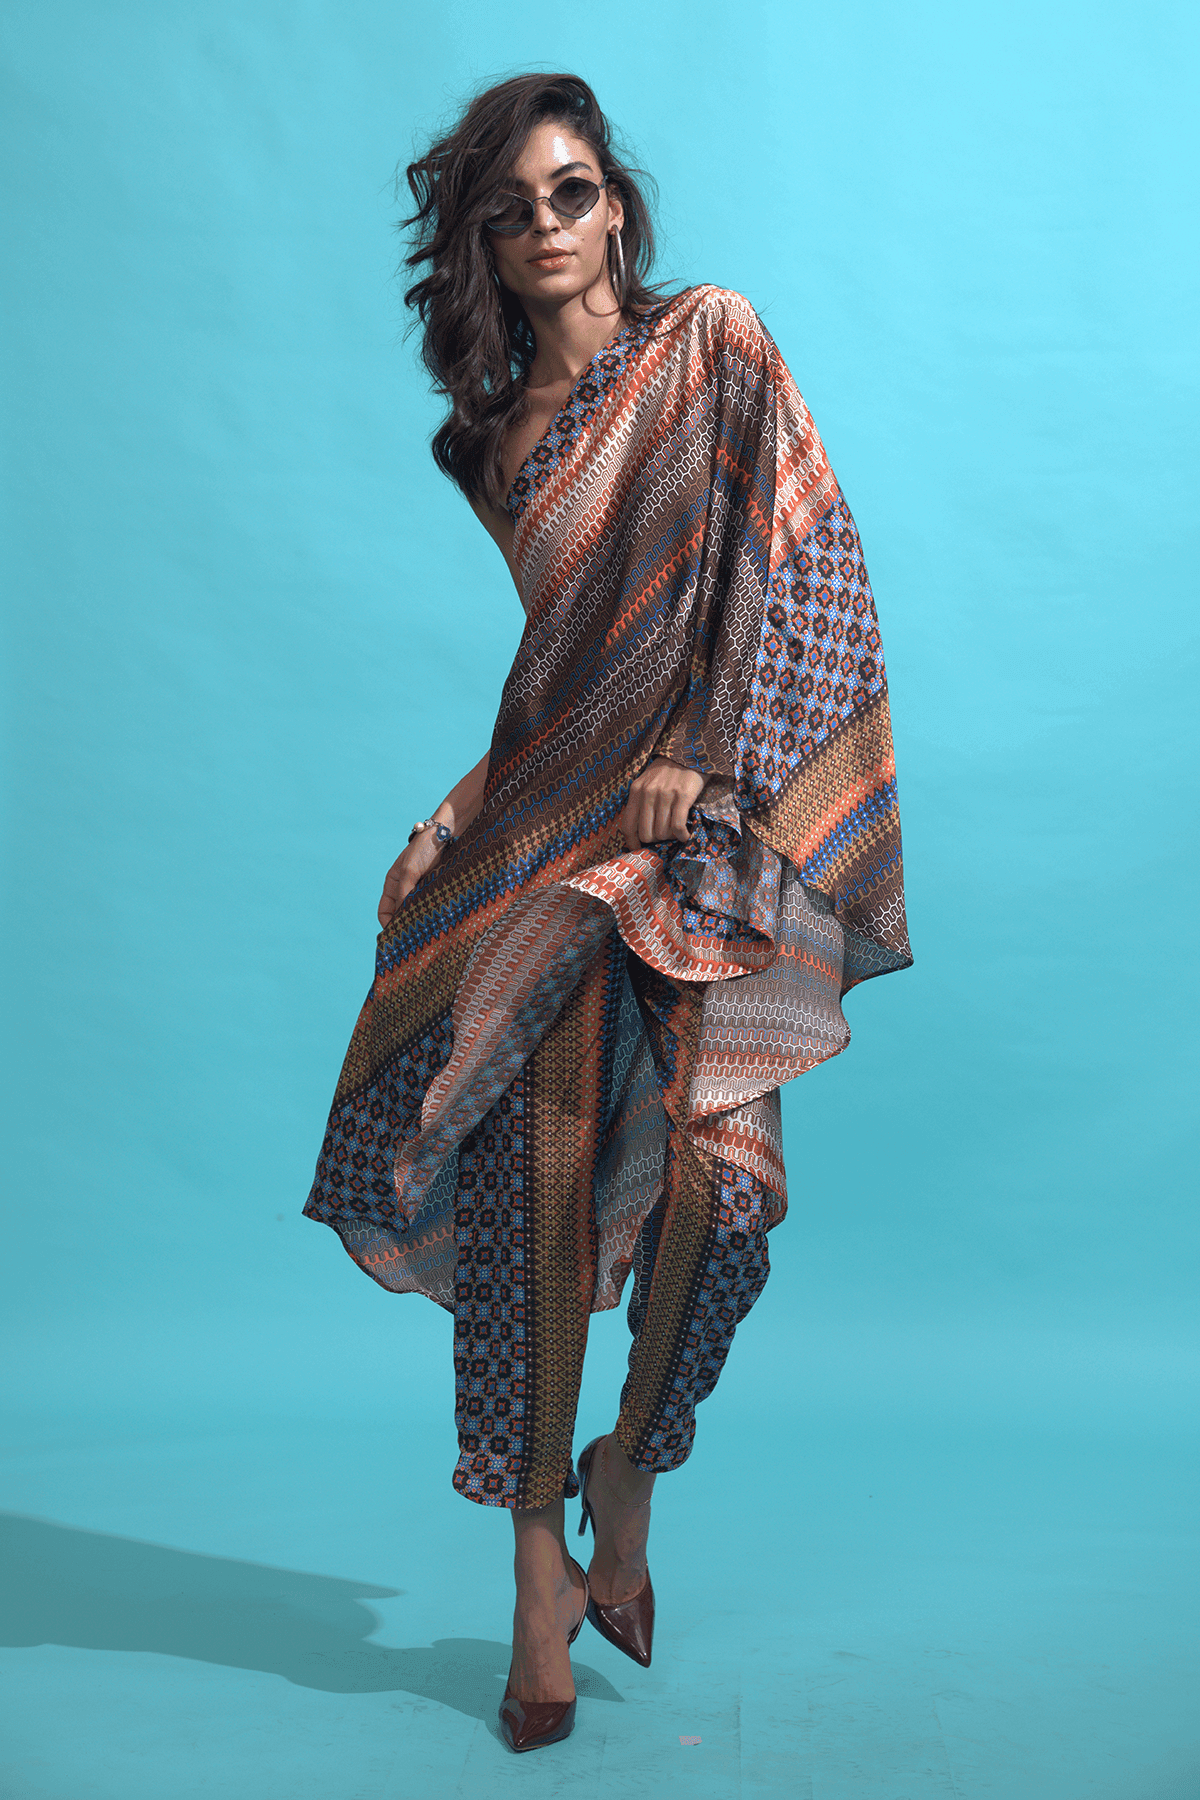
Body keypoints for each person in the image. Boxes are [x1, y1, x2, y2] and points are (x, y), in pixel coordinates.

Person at [303, 71, 911, 1753]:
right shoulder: (488, 445)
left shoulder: (711, 343)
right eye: (511, 211)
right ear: (484, 248)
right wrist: (445, 819)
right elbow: (557, 678)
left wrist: (704, 757)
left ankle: (624, 1480)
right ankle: (533, 1587)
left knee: (728, 1202)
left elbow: (803, 566)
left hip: (692, 824)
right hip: (548, 831)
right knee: (537, 1187)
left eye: (571, 192)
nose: (547, 228)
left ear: (617, 207)